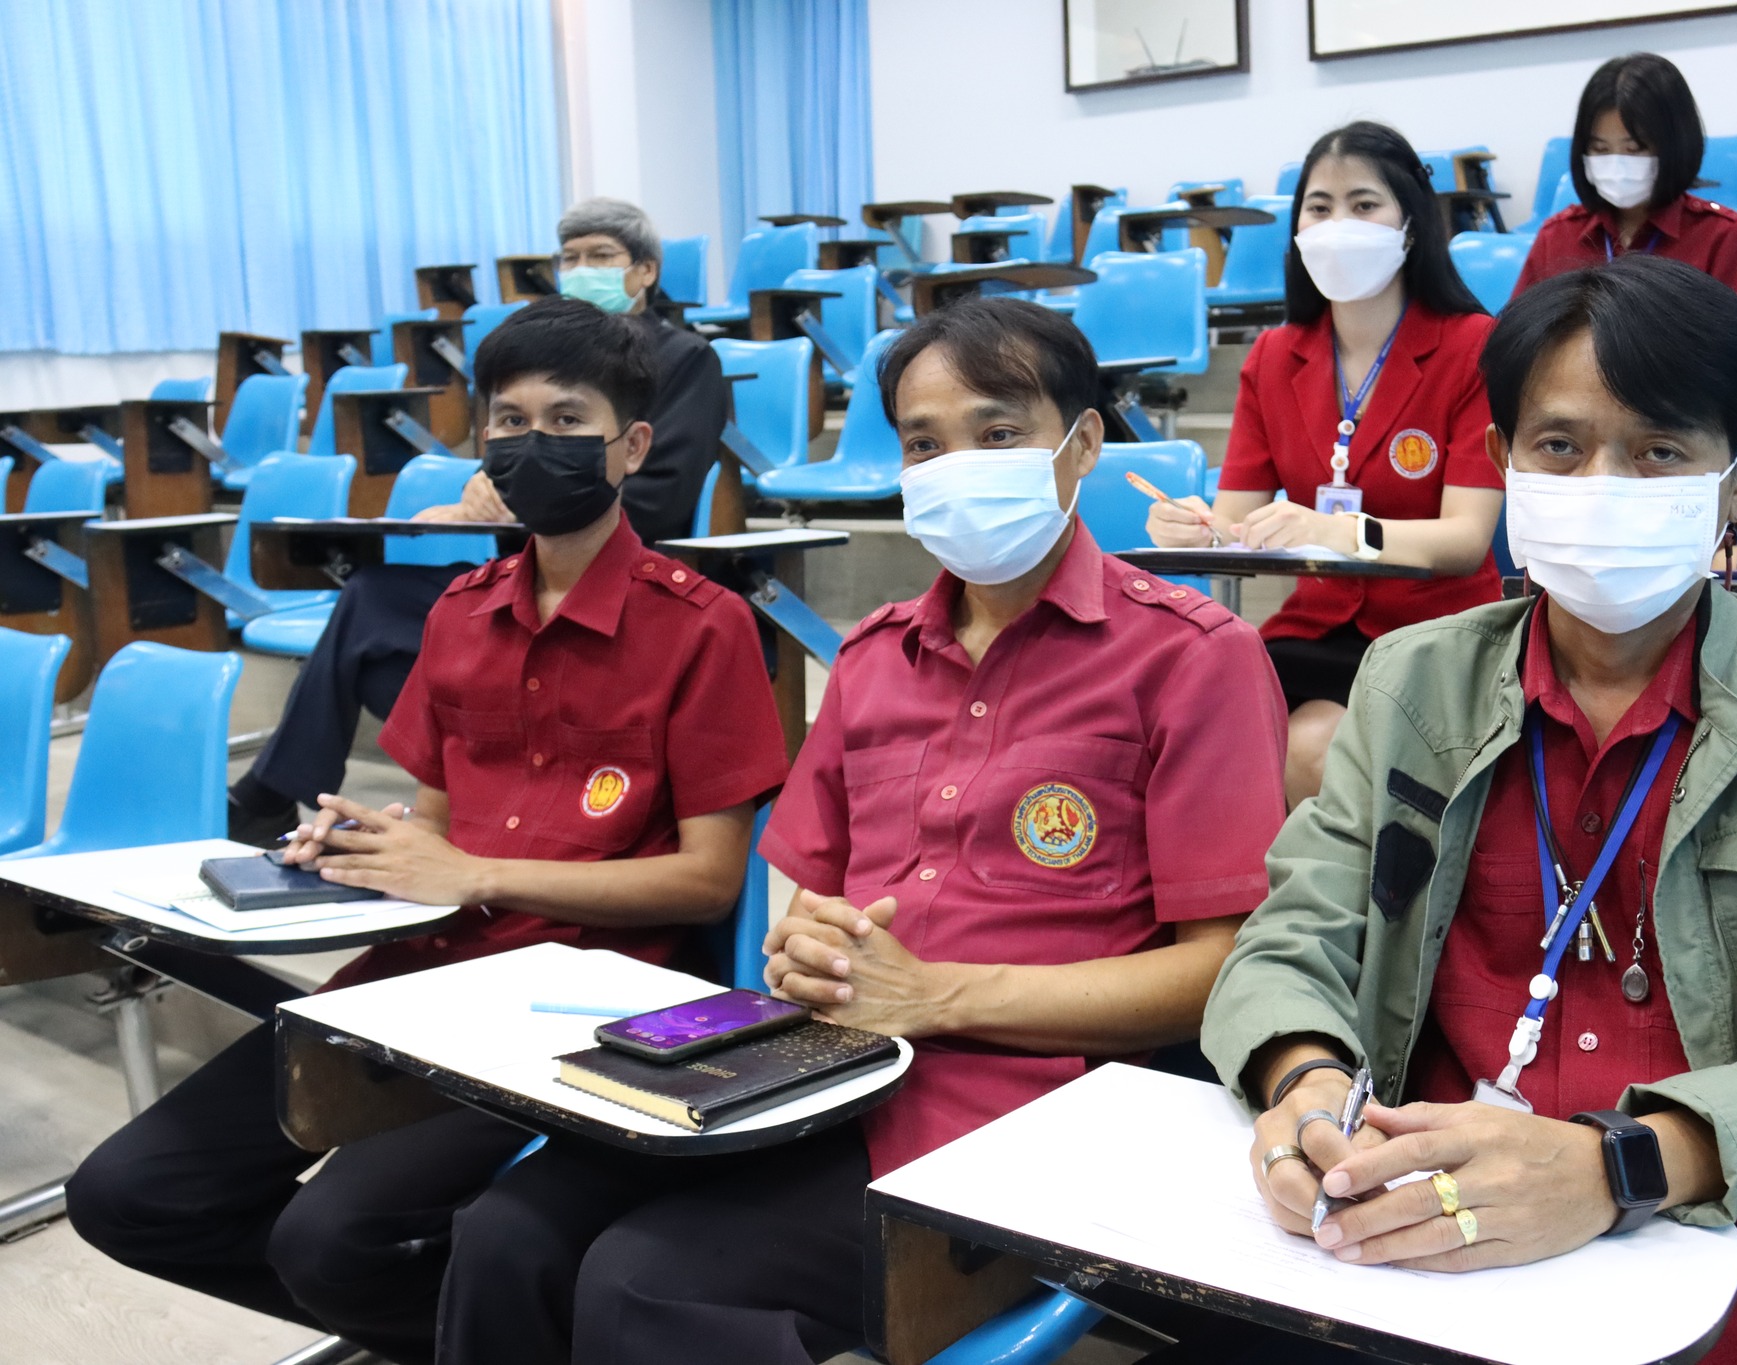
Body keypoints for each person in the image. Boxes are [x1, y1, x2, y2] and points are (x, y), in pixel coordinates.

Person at [426, 296, 1291, 1365]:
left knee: (646, 1285)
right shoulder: (875, 657)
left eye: (998, 433)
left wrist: (940, 995)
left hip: (1018, 1110)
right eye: (924, 444)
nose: (956, 465)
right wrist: (806, 947)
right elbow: (807, 906)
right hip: (823, 1063)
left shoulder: (1191, 657)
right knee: (505, 1238)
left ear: (1081, 446)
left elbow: (1219, 975)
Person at [1188, 255, 1737, 1365]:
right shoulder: (1409, 684)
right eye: (1560, 447)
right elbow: (1293, 935)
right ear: (1501, 460)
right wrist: (1305, 1082)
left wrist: (1611, 1166)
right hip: (1419, 1219)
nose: (1601, 484)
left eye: (1658, 451)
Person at [66, 299, 789, 1365]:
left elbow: (709, 881)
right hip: (419, 974)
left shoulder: (702, 623)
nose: (532, 443)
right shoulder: (460, 611)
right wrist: (372, 843)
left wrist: (471, 871)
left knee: (331, 1240)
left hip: (584, 1007)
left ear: (632, 446)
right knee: (129, 1193)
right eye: (508, 421)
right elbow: (439, 831)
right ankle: (466, 1335)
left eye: (567, 419)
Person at [226, 196, 727, 844]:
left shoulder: (684, 358)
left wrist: (527, 494)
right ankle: (284, 792)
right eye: (570, 257)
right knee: (372, 600)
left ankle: (272, 793)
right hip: (524, 568)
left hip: (620, 574)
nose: (583, 269)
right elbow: (505, 466)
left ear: (646, 271)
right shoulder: (536, 356)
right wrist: (477, 495)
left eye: (601, 256)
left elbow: (662, 495)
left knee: (397, 643)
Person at [1147, 122, 1503, 807]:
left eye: (1364, 204)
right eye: (1320, 207)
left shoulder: (1471, 345)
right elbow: (1237, 522)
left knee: (1311, 746)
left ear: (1410, 225)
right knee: (1184, 721)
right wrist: (1197, 529)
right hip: (1313, 629)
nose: (1339, 225)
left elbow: (1465, 539)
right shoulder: (1273, 356)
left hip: (1436, 631)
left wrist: (1341, 531)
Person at [1514, 53, 1737, 295]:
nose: (1616, 166)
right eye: (1600, 149)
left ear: (1676, 145)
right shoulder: (1557, 236)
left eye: (1634, 149)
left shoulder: (1723, 237)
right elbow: (1522, 323)